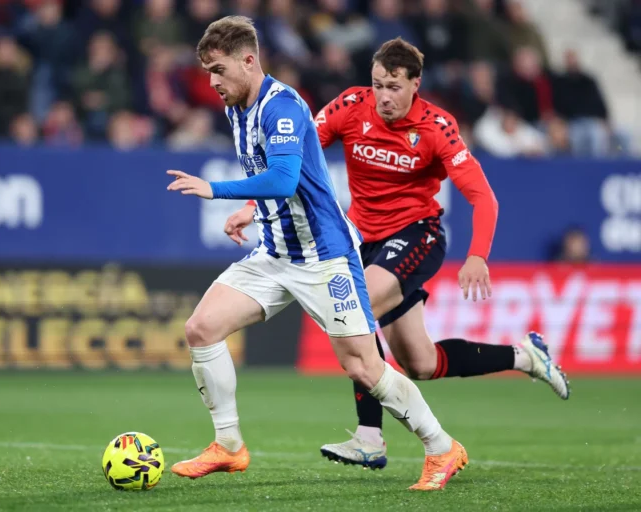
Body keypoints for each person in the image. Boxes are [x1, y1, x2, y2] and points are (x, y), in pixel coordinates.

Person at [224, 37, 571, 470]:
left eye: (393, 86)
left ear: (415, 85)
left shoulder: (436, 127)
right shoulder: (352, 105)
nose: (383, 96)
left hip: (417, 234)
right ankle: (525, 356)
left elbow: (484, 197)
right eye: (377, 85)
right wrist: (253, 207)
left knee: (354, 307)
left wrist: (478, 255)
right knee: (421, 362)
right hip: (361, 240)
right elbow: (294, 164)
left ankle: (370, 437)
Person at [166, 17, 467, 491]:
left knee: (364, 367)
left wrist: (216, 189)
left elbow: (285, 180)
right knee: (201, 328)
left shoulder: (281, 108)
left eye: (219, 70)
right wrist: (251, 209)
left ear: (249, 61)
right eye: (208, 72)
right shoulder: (235, 106)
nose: (212, 82)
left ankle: (441, 447)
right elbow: (279, 185)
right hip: (275, 251)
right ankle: (228, 445)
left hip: (324, 256)